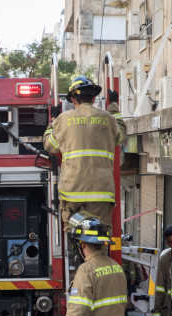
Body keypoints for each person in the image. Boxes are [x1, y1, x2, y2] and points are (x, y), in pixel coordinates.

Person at [43, 76, 126, 234]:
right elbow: (121, 136)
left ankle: (77, 254)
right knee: (99, 235)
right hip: (101, 194)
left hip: (72, 193)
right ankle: (97, 257)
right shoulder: (108, 119)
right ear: (94, 98)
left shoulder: (63, 119)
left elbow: (49, 146)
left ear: (73, 100)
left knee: (74, 233)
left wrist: (52, 120)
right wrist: (114, 107)